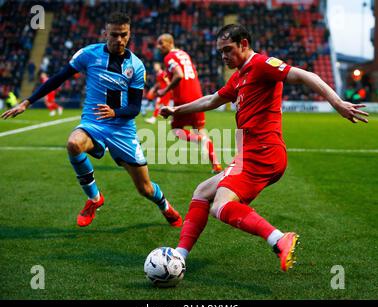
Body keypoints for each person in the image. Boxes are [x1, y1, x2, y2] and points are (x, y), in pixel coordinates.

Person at [160, 24, 368, 273]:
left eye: (228, 49)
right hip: (252, 153)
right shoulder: (239, 76)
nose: (224, 56)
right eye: (220, 51)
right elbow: (211, 100)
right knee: (203, 192)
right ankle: (180, 256)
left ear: (244, 44)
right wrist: (176, 110)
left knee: (220, 206)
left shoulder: (262, 64)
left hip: (262, 152)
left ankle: (279, 238)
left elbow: (305, 75)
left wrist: (337, 103)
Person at [1, 12, 182, 228]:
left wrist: (115, 113)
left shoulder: (137, 65)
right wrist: (27, 102)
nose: (119, 40)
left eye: (123, 35)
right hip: (93, 123)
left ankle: (165, 206)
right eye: (114, 35)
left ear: (130, 33)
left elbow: (134, 107)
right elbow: (58, 78)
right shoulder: (88, 54)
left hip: (122, 130)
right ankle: (95, 199)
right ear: (105, 33)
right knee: (74, 143)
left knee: (145, 189)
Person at [156, 33, 223, 174]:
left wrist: (165, 90)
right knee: (200, 128)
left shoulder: (169, 57)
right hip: (197, 95)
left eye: (161, 43)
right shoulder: (184, 54)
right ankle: (216, 164)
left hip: (184, 97)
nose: (159, 46)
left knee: (176, 129)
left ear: (170, 42)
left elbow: (179, 74)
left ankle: (200, 140)